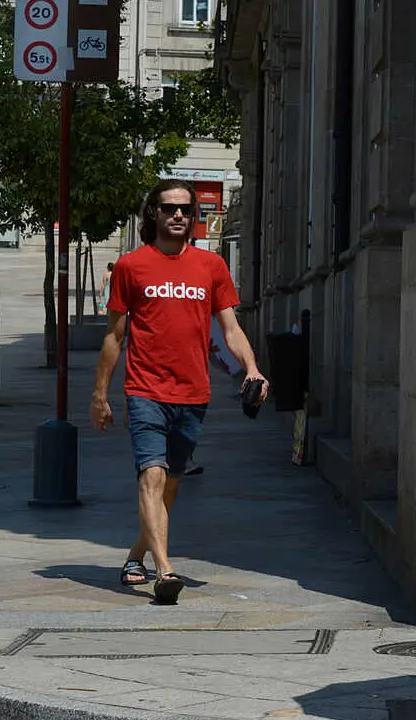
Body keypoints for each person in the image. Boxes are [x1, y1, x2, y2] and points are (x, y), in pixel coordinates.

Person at [89, 179, 268, 605]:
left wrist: (252, 368)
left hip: (193, 394)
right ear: (153, 212)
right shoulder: (131, 266)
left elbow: (231, 329)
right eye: (170, 208)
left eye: (186, 209)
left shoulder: (211, 266)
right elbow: (114, 337)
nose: (179, 216)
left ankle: (136, 556)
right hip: (145, 390)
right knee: (151, 476)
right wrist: (100, 395)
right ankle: (165, 571)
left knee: (169, 486)